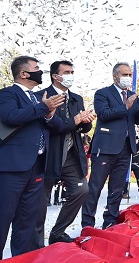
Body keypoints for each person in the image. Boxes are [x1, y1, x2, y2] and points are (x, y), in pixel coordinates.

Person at [0, 56, 64, 263]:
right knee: (2, 217)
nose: (40, 72)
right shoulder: (8, 93)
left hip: (36, 166)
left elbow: (58, 127)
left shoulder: (39, 98)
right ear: (24, 73)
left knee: (27, 219)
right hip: (11, 166)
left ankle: (20, 262)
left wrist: (49, 114)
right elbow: (10, 116)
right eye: (36, 68)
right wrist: (43, 108)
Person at [32, 60, 95, 248]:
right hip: (48, 155)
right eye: (67, 72)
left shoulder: (76, 98)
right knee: (40, 200)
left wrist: (86, 121)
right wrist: (74, 121)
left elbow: (82, 126)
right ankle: (35, 244)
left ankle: (58, 232)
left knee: (81, 190)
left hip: (72, 153)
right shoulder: (41, 96)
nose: (70, 75)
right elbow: (48, 125)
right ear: (55, 76)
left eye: (72, 71)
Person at [81, 62, 139, 230]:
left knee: (117, 188)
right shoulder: (103, 93)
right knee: (95, 187)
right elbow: (104, 114)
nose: (128, 78)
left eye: (129, 75)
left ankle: (110, 222)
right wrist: (125, 106)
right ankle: (87, 224)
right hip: (105, 147)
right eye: (125, 75)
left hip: (126, 148)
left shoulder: (133, 96)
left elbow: (135, 120)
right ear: (115, 76)